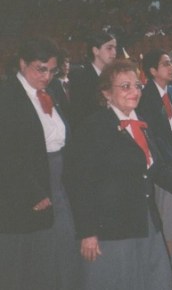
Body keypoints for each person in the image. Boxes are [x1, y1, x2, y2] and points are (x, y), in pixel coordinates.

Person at [63, 60, 172, 290]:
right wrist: (87, 232)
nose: (134, 91)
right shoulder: (93, 127)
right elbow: (79, 183)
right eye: (125, 86)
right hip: (112, 229)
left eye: (137, 85)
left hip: (144, 222)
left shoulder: (140, 123)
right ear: (107, 93)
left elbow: (155, 167)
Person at [0, 37, 81, 290]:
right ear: (23, 64)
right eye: (40, 69)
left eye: (52, 70)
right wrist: (33, 191)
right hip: (26, 187)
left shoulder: (52, 90)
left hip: (58, 181)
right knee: (28, 259)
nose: (46, 76)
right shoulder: (7, 96)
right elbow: (7, 153)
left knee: (62, 250)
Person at [137, 49, 172, 278]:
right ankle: (162, 268)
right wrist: (171, 163)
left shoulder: (171, 93)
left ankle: (167, 262)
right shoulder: (147, 97)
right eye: (165, 64)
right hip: (162, 167)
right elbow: (155, 136)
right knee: (168, 217)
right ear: (152, 71)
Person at [69, 32, 117, 127]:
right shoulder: (80, 77)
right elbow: (80, 114)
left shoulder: (114, 76)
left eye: (115, 48)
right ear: (96, 51)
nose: (114, 52)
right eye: (109, 48)